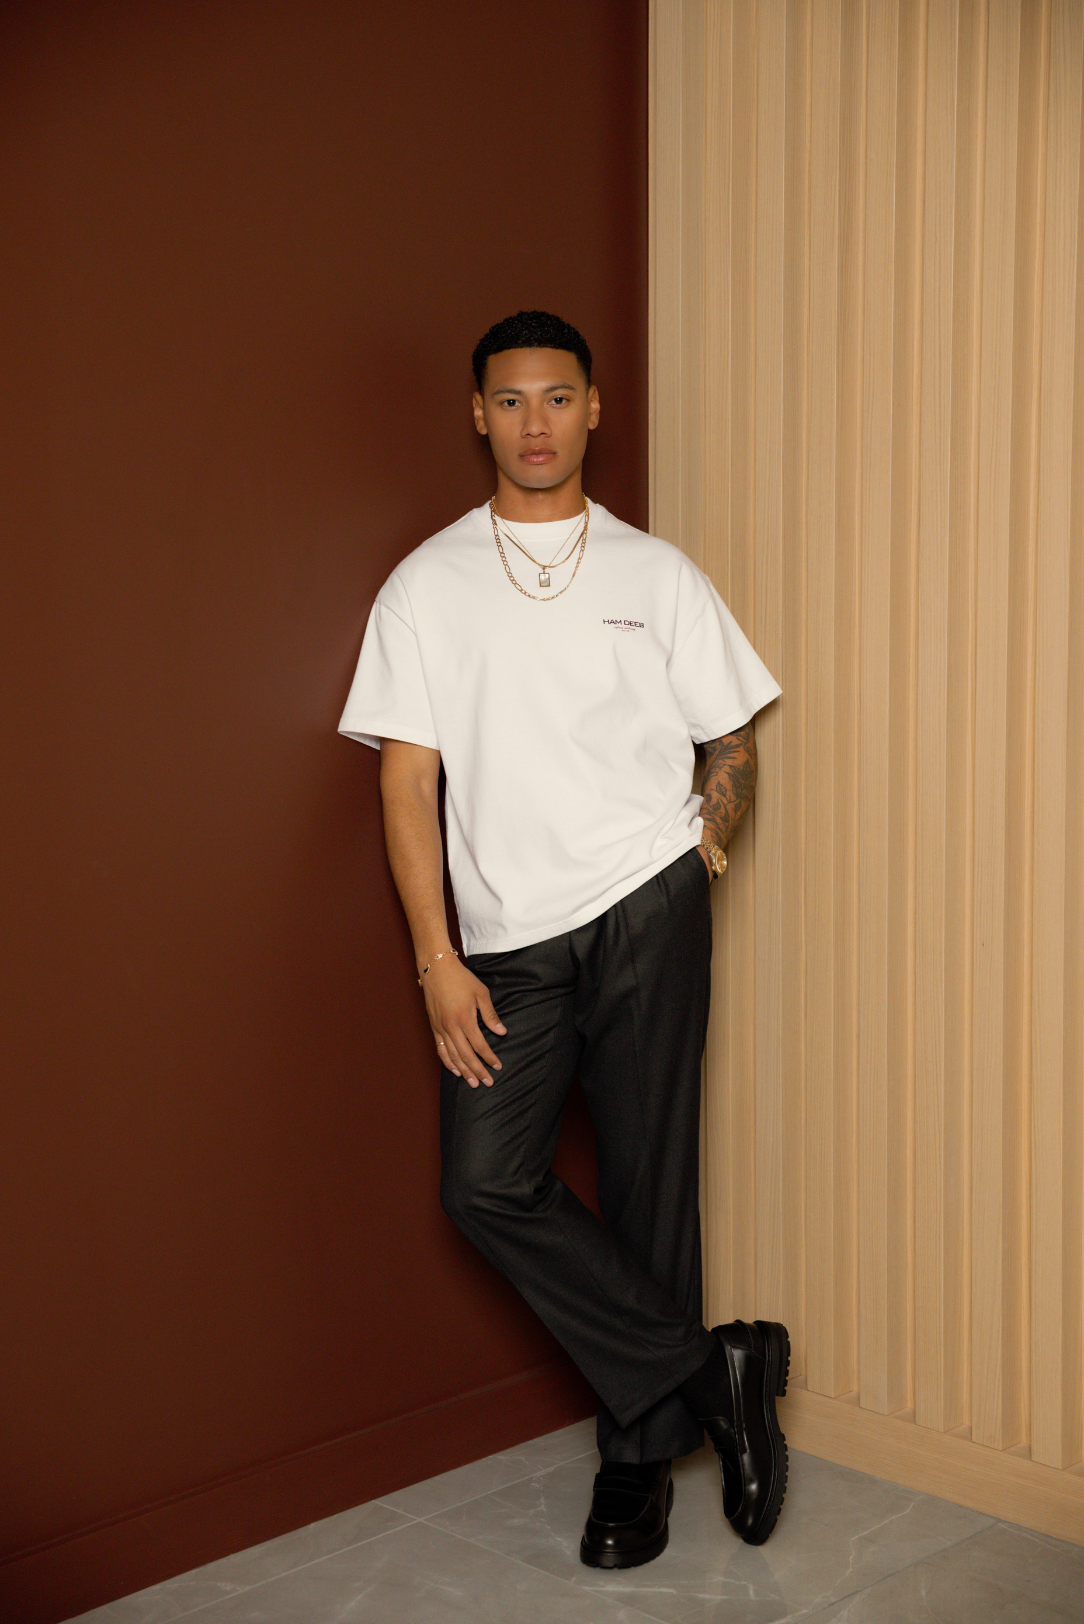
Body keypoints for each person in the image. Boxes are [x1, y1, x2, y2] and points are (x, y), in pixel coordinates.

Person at [338, 310, 788, 1567]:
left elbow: (730, 736)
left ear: (593, 408)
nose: (534, 422)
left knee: (649, 1183)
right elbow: (405, 781)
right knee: (484, 1182)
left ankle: (634, 1469)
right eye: (509, 400)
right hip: (504, 942)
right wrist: (435, 959)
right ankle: (713, 1372)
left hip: (648, 901)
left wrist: (711, 833)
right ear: (477, 415)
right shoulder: (425, 585)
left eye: (556, 397)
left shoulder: (658, 574)